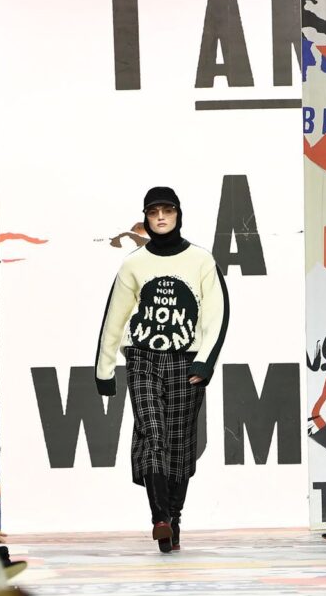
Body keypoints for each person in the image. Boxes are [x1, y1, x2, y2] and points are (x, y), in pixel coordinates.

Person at [95, 187, 229, 553]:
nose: (160, 218)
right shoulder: (134, 263)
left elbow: (218, 312)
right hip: (143, 357)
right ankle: (160, 519)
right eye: (153, 212)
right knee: (152, 431)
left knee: (180, 443)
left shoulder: (201, 260)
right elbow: (115, 316)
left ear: (177, 215)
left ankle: (175, 515)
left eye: (166, 211)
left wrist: (205, 360)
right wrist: (104, 369)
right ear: (146, 217)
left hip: (186, 360)